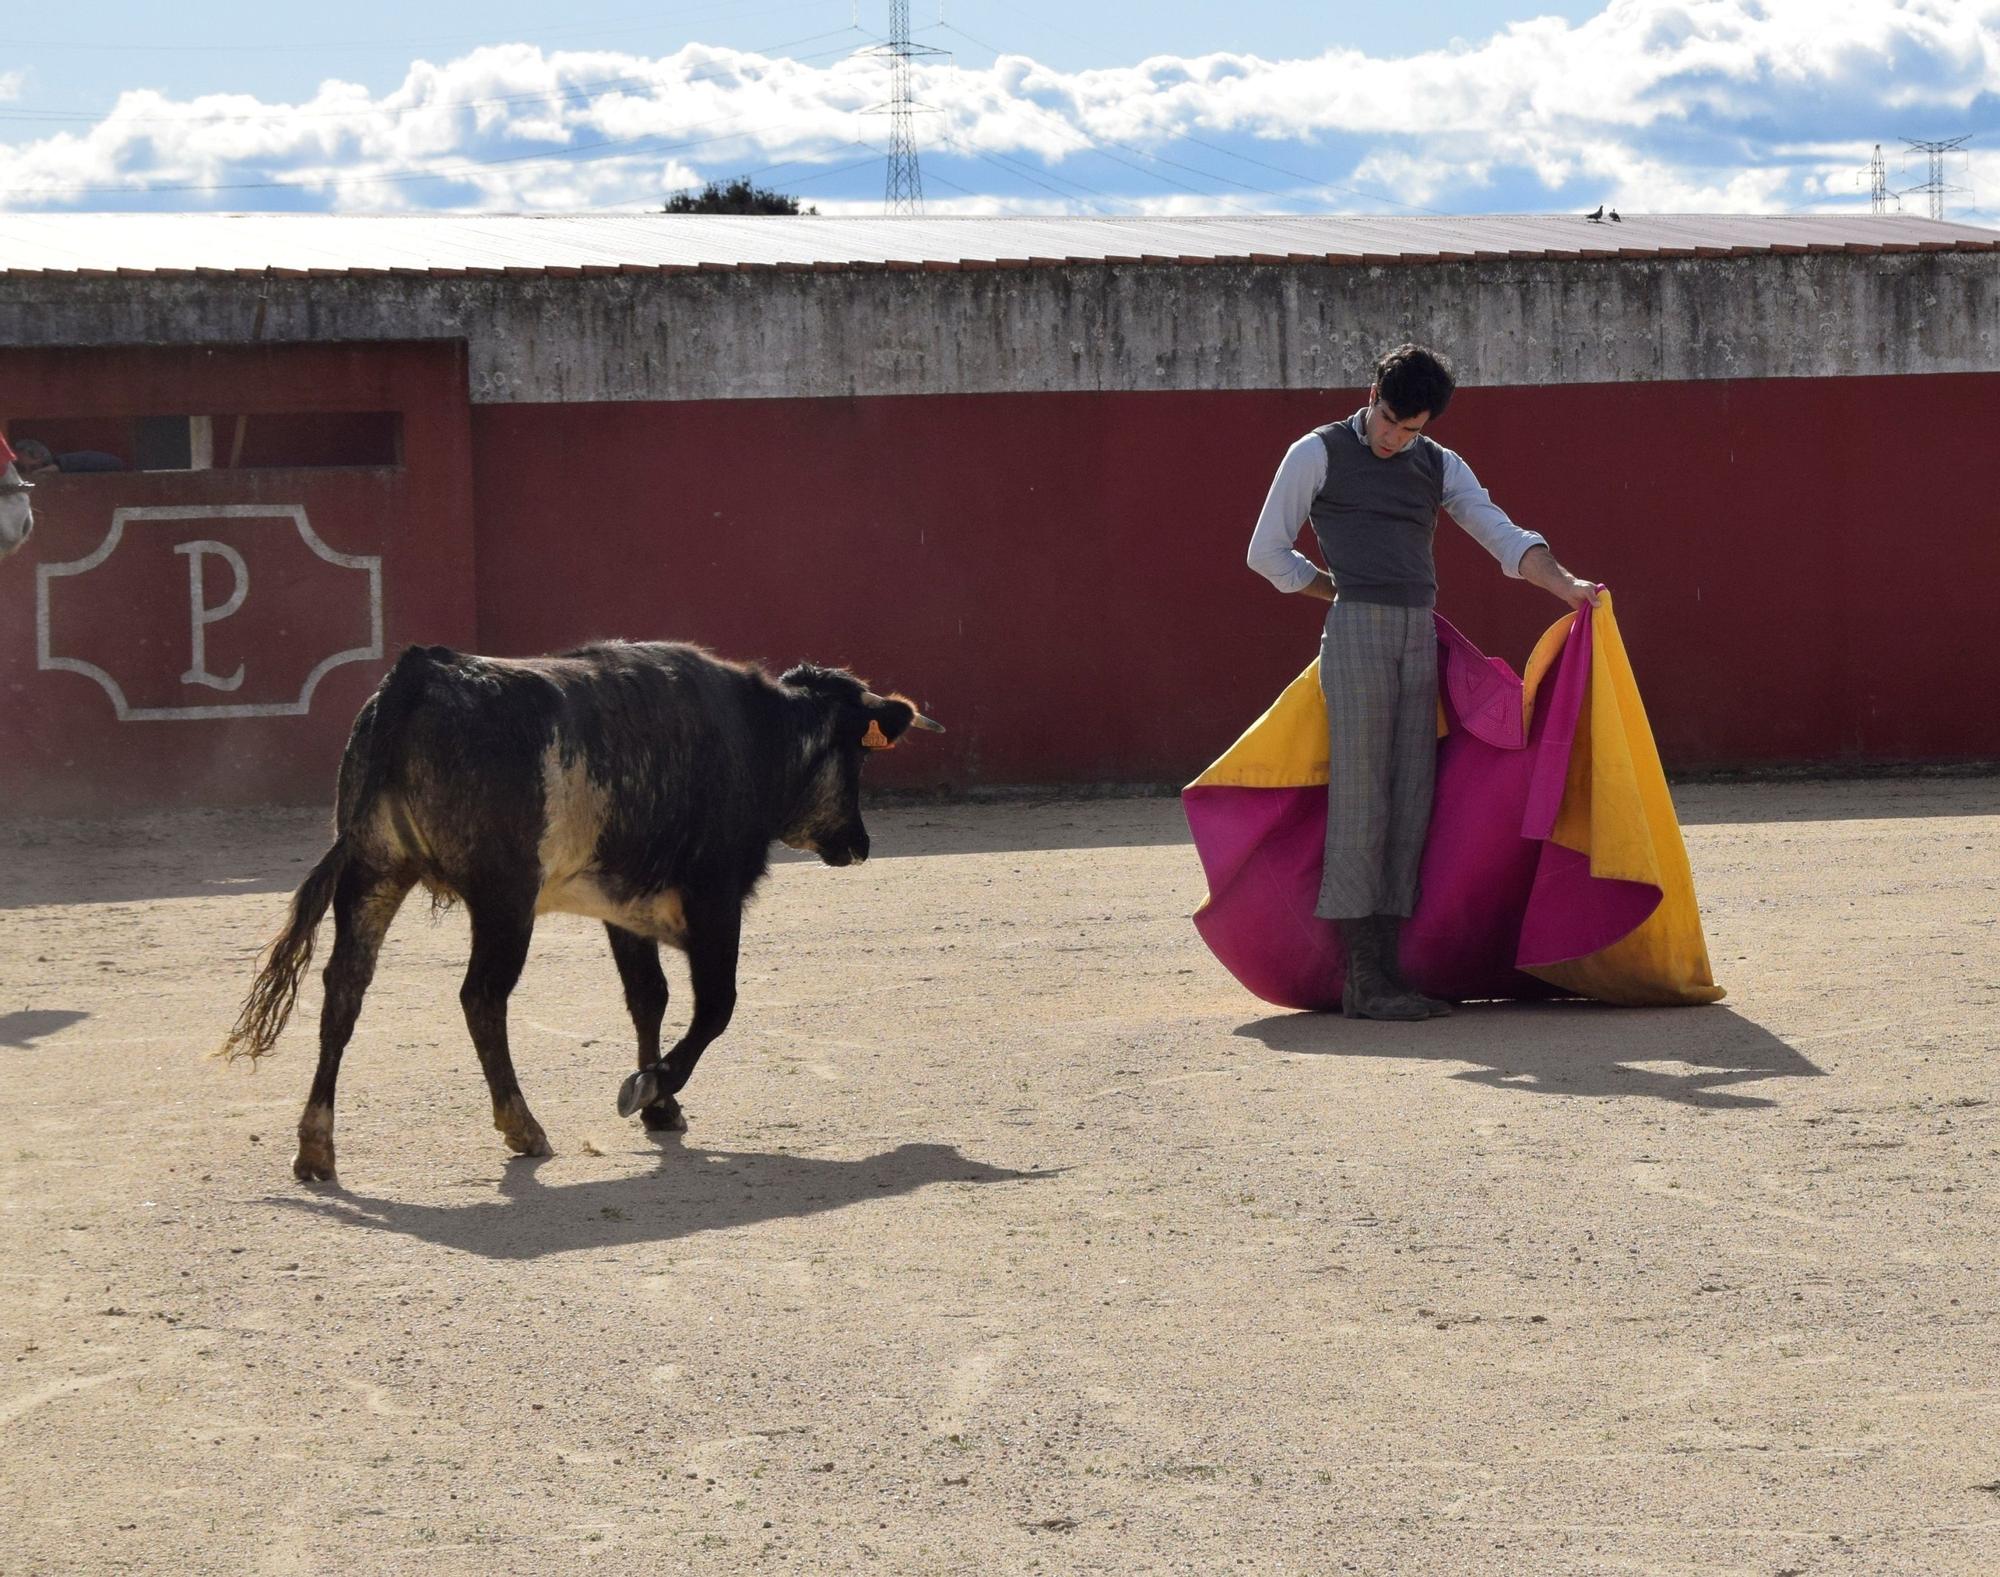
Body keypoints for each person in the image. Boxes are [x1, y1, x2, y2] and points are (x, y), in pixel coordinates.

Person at [1245, 343, 1598, 1022]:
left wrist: (1567, 585)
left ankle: (1387, 972)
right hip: (1356, 636)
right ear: (1372, 393)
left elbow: (1498, 532)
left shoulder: (1438, 464)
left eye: (1411, 430)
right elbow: (1265, 551)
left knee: (1412, 797)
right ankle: (1363, 977)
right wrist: (1333, 591)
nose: (1394, 439)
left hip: (1419, 635)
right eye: (1388, 421)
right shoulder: (1316, 452)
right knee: (1362, 797)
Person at [11, 437, 126, 475]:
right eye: (22, 468)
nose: (29, 473)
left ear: (40, 456)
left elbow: (115, 463)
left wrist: (61, 466)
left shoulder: (65, 464)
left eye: (33, 468)